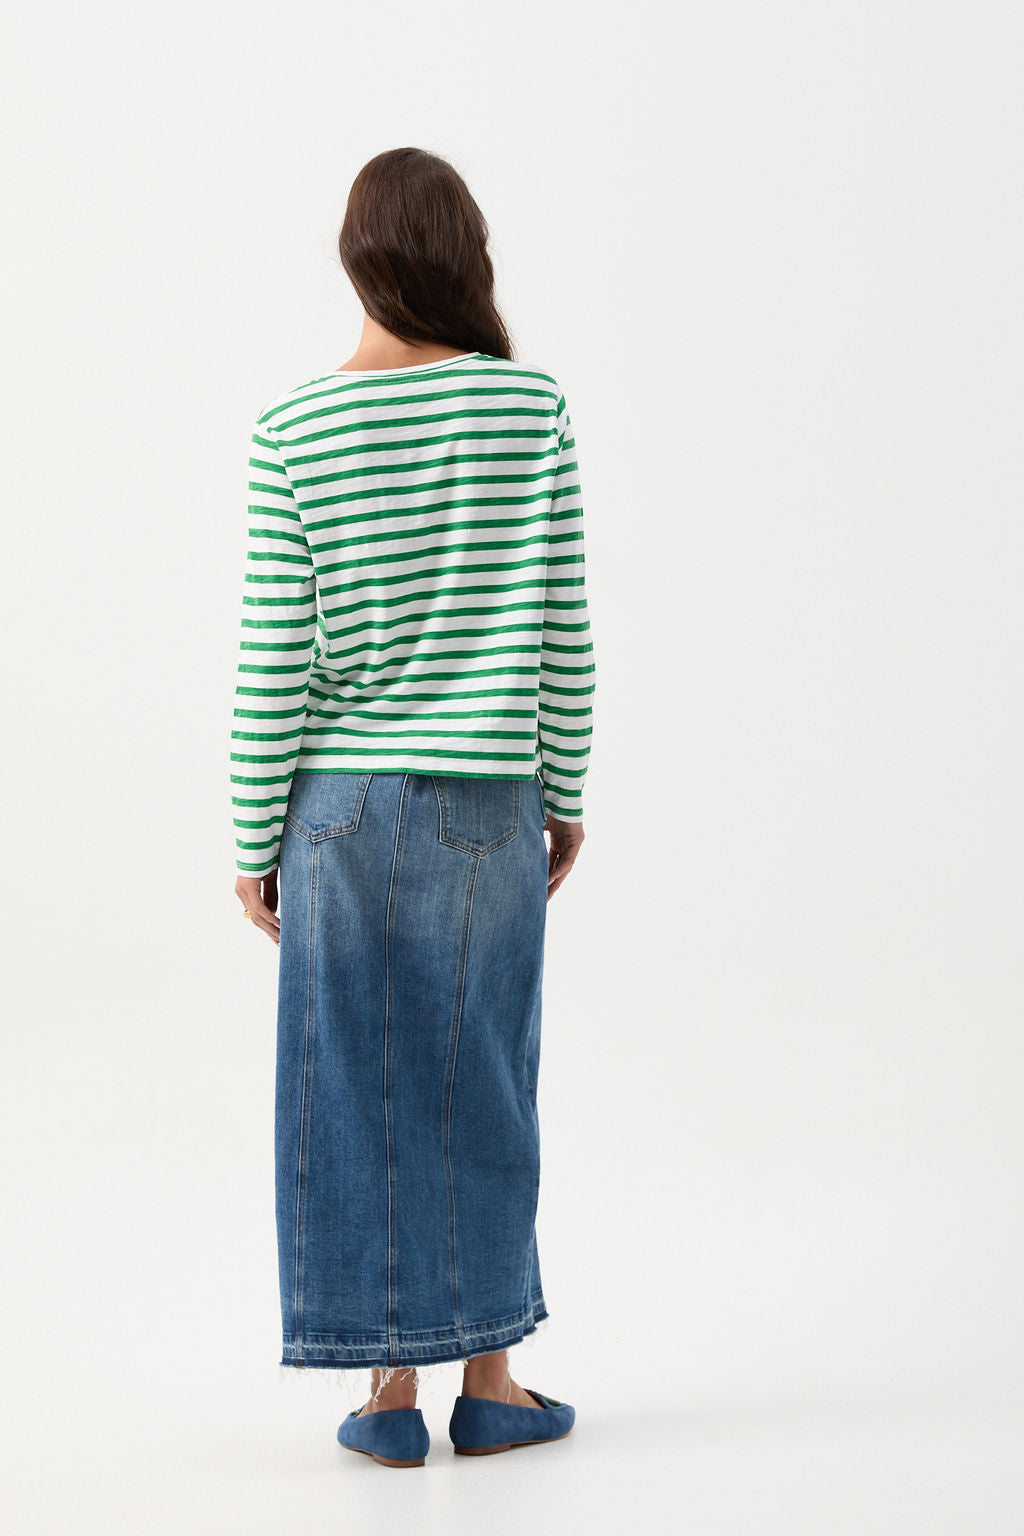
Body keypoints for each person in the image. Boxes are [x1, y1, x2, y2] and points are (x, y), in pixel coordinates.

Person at [230, 147, 595, 1467]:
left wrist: (251, 834)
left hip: (333, 811)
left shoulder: (294, 429)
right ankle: (492, 1381)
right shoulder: (527, 406)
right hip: (486, 801)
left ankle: (387, 1395)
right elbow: (562, 622)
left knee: (349, 1088)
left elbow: (276, 652)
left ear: (356, 259)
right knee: (485, 1080)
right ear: (461, 254)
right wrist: (564, 789)